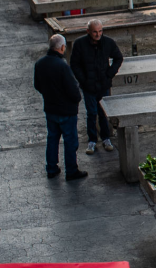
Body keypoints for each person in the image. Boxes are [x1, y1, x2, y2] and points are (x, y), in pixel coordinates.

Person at [33, 35, 87, 181]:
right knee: (70, 141)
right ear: (62, 47)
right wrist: (76, 99)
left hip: (50, 109)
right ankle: (71, 170)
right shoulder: (62, 66)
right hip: (66, 111)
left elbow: (37, 85)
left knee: (52, 139)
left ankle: (51, 168)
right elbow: (73, 91)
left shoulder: (40, 63)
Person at [69, 19, 123, 155]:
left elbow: (118, 58)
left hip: (103, 84)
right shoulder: (80, 44)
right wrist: (84, 80)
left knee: (104, 113)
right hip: (89, 86)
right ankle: (92, 140)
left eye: (100, 31)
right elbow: (74, 64)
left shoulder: (108, 42)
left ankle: (106, 139)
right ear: (88, 31)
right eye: (95, 32)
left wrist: (110, 74)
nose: (98, 34)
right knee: (91, 113)